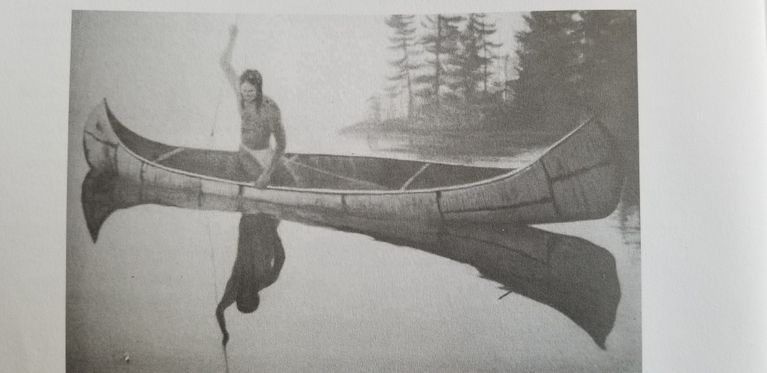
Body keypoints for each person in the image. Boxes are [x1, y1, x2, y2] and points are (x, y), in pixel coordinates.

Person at [220, 24, 289, 189]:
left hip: (267, 153)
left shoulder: (270, 108)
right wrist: (232, 37)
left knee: (289, 182)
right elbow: (224, 63)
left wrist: (267, 173)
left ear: (259, 90)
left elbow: (281, 144)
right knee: (258, 182)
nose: (246, 95)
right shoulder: (240, 93)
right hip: (246, 152)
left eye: (251, 91)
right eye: (244, 91)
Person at [216, 214, 286, 346]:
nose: (244, 291)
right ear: (255, 295)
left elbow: (220, 310)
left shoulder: (235, 286)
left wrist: (224, 332)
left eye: (241, 295)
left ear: (239, 296)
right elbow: (281, 258)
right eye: (246, 294)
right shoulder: (267, 279)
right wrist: (273, 232)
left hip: (249, 220)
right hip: (268, 223)